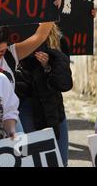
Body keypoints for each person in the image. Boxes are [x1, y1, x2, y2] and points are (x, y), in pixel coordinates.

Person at [15, 23, 72, 166]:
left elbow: (64, 80)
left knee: (60, 160)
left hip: (52, 107)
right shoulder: (15, 36)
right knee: (31, 160)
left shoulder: (59, 39)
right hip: (25, 107)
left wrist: (48, 66)